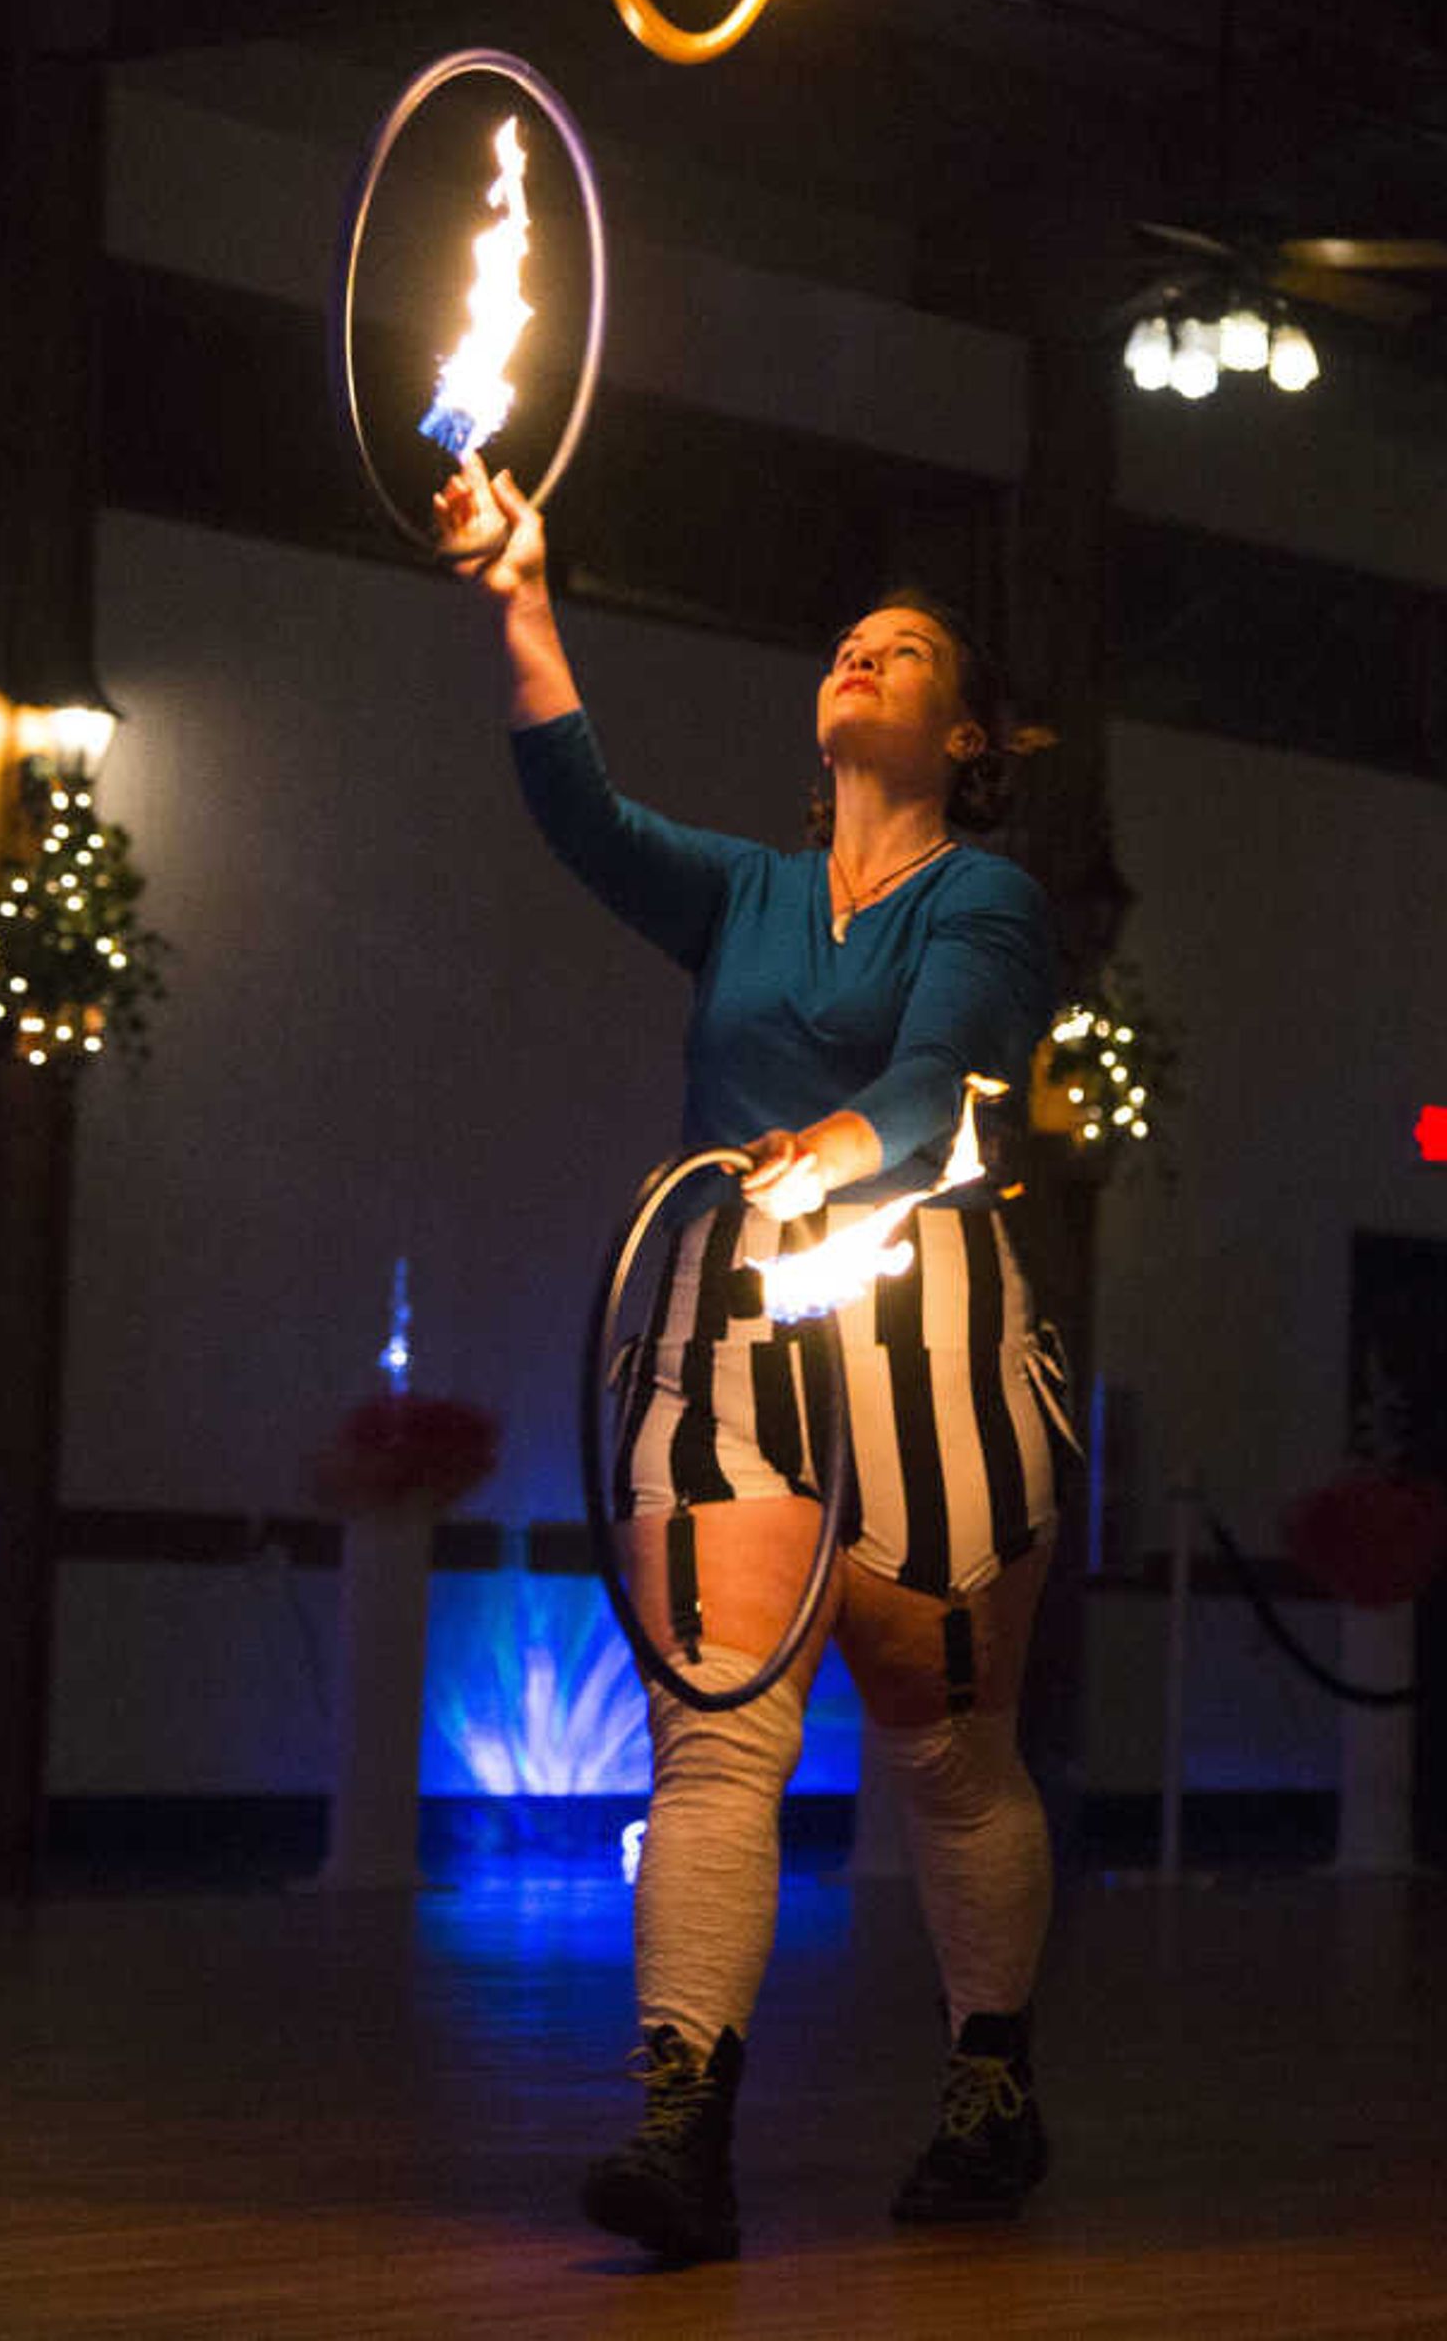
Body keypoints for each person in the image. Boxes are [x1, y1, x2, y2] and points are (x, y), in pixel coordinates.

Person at [439, 456, 1068, 2264]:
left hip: (926, 1329)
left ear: (964, 734)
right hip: (725, 1324)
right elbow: (584, 814)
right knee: (717, 1735)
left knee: (949, 1748)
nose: (863, 653)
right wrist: (520, 599)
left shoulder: (988, 898)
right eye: (850, 642)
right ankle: (682, 2122)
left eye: (907, 648)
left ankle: (990, 2088)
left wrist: (835, 1149)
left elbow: (952, 1081)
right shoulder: (746, 895)